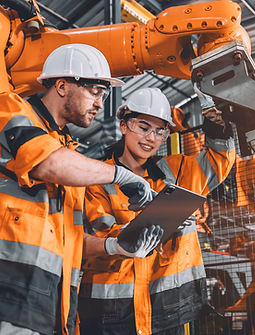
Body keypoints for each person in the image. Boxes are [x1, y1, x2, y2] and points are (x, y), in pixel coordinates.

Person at [0, 44, 163, 335]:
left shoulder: (68, 152)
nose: (101, 104)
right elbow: (47, 163)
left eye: (103, 95)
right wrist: (122, 175)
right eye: (95, 92)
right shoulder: (10, 109)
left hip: (56, 302)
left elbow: (73, 238)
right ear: (62, 86)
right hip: (10, 292)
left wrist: (114, 246)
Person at [78, 86, 236, 335]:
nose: (151, 137)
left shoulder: (179, 171)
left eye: (160, 131)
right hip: (110, 311)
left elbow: (219, 160)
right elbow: (101, 234)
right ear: (124, 126)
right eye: (143, 127)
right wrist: (147, 225)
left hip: (169, 308)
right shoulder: (99, 178)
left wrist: (215, 119)